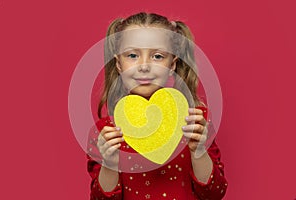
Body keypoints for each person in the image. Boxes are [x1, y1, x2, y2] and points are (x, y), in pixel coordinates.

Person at [87, 12, 228, 199]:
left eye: (158, 56)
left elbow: (214, 193)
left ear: (172, 65)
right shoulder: (105, 132)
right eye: (132, 55)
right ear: (119, 64)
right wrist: (110, 164)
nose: (144, 66)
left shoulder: (194, 121)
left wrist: (199, 152)